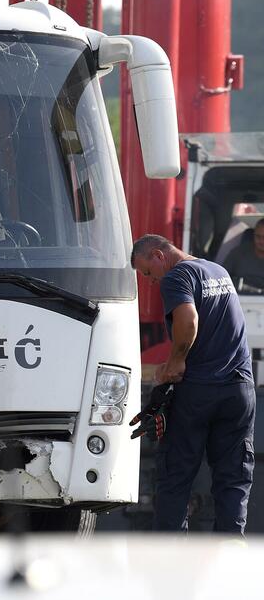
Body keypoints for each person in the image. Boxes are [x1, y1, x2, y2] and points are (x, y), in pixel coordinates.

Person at [131, 234, 255, 533]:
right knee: (233, 478)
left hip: (199, 392)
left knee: (176, 477)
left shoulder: (176, 277)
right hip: (239, 390)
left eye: (147, 272)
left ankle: (170, 560)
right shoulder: (217, 270)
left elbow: (188, 321)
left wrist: (176, 362)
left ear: (159, 256)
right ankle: (230, 549)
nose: (150, 281)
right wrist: (177, 357)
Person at [222, 218, 264, 291]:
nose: (261, 241)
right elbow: (221, 278)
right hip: (238, 298)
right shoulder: (238, 253)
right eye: (258, 236)